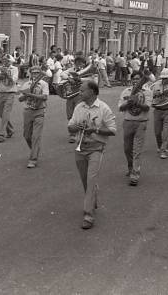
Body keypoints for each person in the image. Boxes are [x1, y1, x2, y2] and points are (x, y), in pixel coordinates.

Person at [68, 80, 116, 229]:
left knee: (90, 180)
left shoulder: (103, 108)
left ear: (92, 92)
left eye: (82, 91)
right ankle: (92, 198)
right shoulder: (78, 107)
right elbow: (70, 127)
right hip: (81, 147)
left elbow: (113, 130)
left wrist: (95, 130)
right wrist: (76, 127)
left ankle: (88, 214)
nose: (80, 93)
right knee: (86, 181)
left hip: (96, 148)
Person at [117, 72, 152, 186]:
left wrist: (137, 102)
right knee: (127, 149)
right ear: (131, 80)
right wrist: (128, 103)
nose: (136, 81)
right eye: (134, 79)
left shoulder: (147, 92)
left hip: (141, 123)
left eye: (139, 79)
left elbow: (147, 108)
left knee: (136, 150)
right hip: (128, 122)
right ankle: (131, 167)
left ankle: (135, 175)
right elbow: (120, 108)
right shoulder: (126, 91)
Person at [18, 66, 49, 168]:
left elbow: (45, 97)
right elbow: (20, 99)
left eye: (37, 73)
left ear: (40, 74)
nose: (34, 75)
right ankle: (35, 150)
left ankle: (33, 159)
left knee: (36, 136)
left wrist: (31, 95)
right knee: (26, 136)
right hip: (28, 111)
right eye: (33, 73)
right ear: (30, 74)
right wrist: (25, 95)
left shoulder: (44, 84)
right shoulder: (26, 84)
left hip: (39, 111)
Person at [0, 55, 18, 142]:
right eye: (3, 60)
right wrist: (0, 77)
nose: (5, 62)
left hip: (10, 93)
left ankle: (1, 134)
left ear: (10, 61)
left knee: (6, 112)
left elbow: (13, 81)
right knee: (1, 114)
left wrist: (7, 74)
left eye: (7, 61)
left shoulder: (14, 69)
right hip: (0, 93)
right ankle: (10, 130)